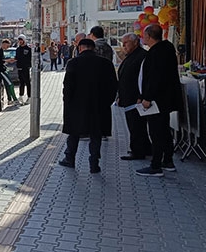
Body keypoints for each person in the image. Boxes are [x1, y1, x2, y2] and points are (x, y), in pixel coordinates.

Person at [59, 39, 118, 173]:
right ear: (93, 48)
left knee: (74, 133)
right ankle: (94, 163)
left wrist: (67, 102)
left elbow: (67, 86)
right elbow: (113, 86)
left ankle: (70, 159)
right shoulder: (106, 63)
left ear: (80, 48)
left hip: (76, 105)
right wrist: (107, 102)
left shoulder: (73, 63)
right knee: (96, 134)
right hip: (99, 105)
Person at [135, 24, 183, 177]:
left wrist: (147, 97)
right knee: (163, 130)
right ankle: (167, 161)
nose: (143, 37)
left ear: (149, 36)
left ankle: (156, 165)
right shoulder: (164, 49)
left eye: (144, 35)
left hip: (157, 100)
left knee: (156, 132)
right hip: (164, 99)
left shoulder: (158, 52)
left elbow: (156, 78)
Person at [117, 33, 151, 160]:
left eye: (126, 43)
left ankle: (138, 150)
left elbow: (144, 78)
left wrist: (141, 96)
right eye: (123, 43)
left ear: (135, 42)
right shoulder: (131, 56)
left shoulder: (142, 56)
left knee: (136, 125)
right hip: (127, 96)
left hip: (136, 98)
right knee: (134, 124)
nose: (124, 46)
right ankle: (146, 147)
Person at [0, 39, 19, 105]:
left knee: (7, 85)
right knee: (10, 84)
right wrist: (7, 61)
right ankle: (15, 99)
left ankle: (9, 100)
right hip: (1, 71)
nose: (7, 48)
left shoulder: (1, 51)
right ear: (3, 44)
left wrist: (7, 61)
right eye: (7, 46)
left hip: (3, 69)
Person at [13, 34, 32, 104]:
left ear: (24, 40)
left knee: (27, 82)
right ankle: (21, 96)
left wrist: (30, 65)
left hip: (26, 68)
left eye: (21, 40)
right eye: (19, 40)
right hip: (19, 68)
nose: (20, 42)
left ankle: (29, 97)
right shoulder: (18, 49)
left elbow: (31, 58)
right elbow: (16, 58)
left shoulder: (28, 49)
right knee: (21, 82)